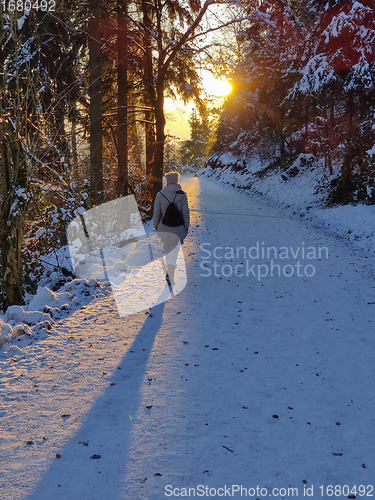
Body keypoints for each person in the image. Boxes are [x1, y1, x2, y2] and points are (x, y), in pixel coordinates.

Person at [153, 172, 190, 284]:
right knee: (174, 251)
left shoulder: (160, 195)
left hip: (164, 228)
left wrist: (156, 226)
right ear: (177, 180)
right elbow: (185, 213)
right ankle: (170, 273)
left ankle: (169, 271)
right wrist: (186, 227)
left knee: (167, 250)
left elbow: (156, 213)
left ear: (167, 180)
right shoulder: (182, 195)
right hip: (178, 229)